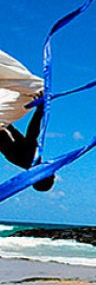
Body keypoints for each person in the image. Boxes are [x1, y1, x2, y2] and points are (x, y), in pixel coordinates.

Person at [0, 50, 55, 191]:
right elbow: (12, 132)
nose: (54, 174)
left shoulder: (30, 159)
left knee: (38, 89)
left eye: (51, 176)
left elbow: (32, 134)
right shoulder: (24, 161)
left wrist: (39, 108)